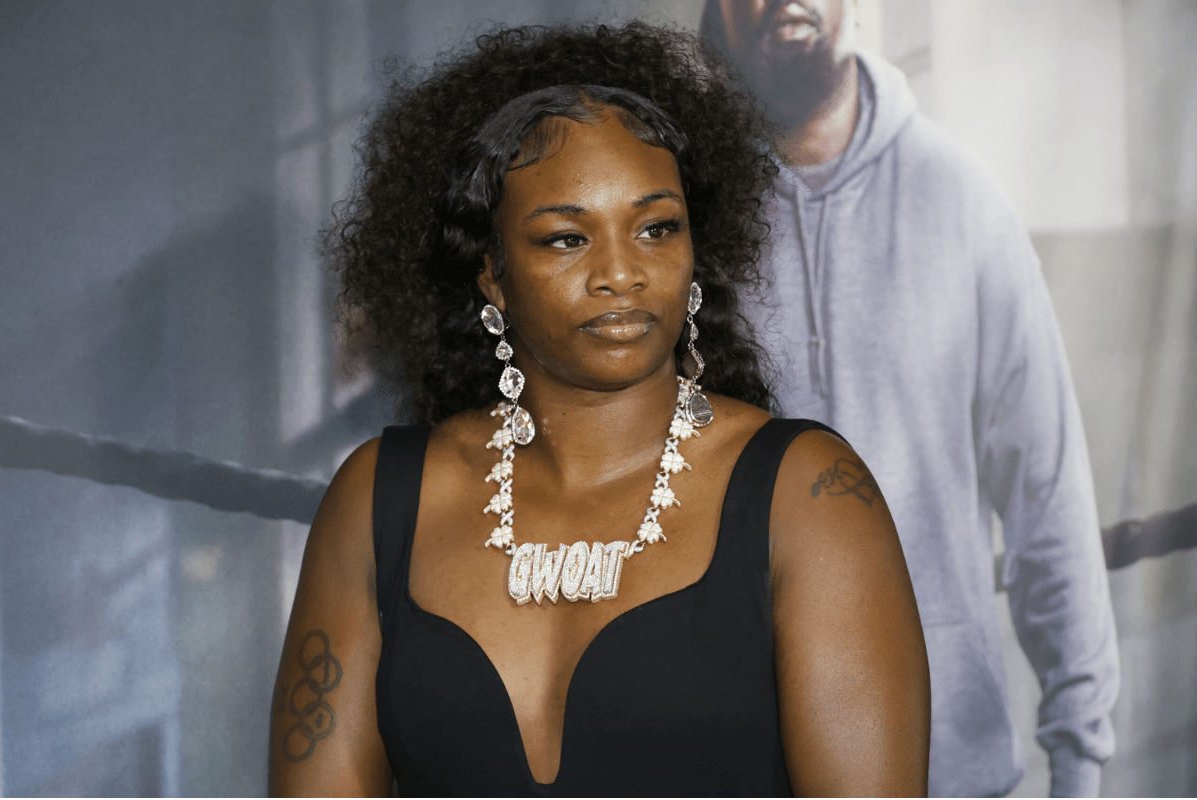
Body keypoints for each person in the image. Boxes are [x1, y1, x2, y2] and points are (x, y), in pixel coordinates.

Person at [268, 22, 930, 796]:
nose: (621, 272)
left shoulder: (809, 496)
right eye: (566, 238)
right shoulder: (378, 501)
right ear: (491, 273)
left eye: (657, 228)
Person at [699, 1, 1120, 796]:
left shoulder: (963, 202)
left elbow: (1047, 489)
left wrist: (1080, 759)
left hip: (952, 770)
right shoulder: (686, 220)